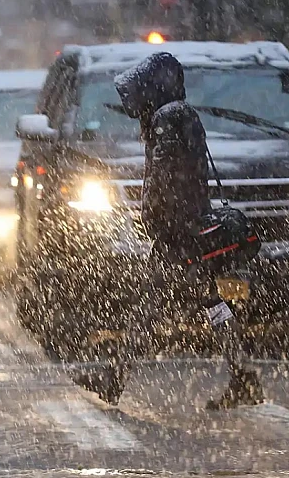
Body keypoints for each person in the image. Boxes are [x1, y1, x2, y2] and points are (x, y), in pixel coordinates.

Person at [73, 52, 264, 410]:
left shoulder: (168, 118)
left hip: (179, 234)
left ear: (153, 87)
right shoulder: (179, 114)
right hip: (190, 228)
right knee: (212, 303)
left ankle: (116, 378)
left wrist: (157, 220)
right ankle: (243, 376)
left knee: (149, 307)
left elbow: (164, 180)